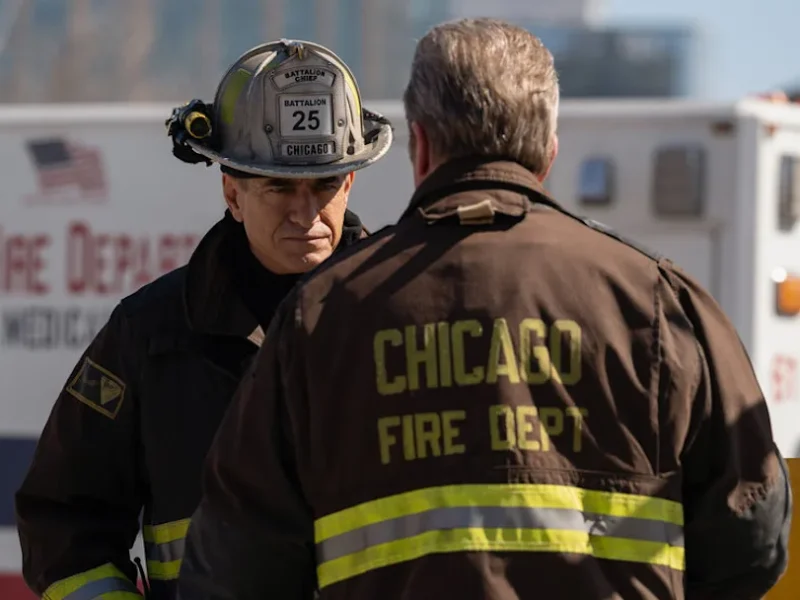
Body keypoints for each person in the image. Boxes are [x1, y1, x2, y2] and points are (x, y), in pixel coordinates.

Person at [176, 19, 791, 600]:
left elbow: (233, 566)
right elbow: (754, 540)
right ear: (549, 151)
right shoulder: (663, 303)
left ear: (418, 146)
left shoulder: (321, 316)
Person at [14, 38, 392, 600]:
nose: (306, 213)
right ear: (232, 193)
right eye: (280, 188)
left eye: (326, 185)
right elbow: (62, 523)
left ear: (352, 183)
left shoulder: (397, 318)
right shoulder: (152, 337)